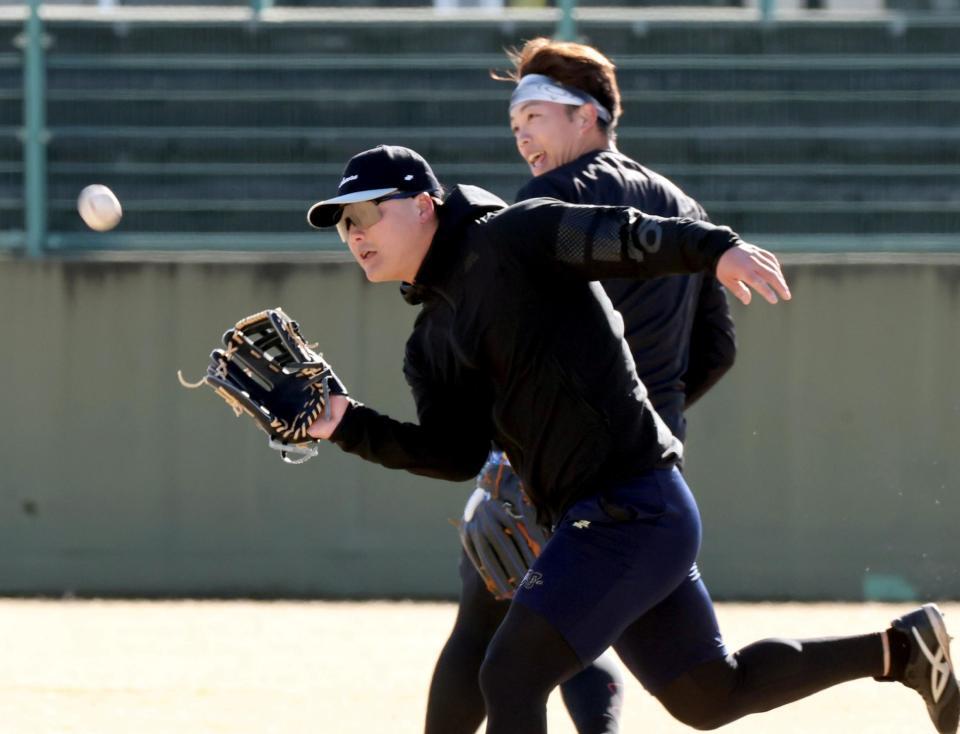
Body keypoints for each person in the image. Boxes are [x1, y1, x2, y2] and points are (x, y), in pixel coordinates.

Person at [304, 144, 958, 734]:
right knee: (710, 696)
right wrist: (344, 423)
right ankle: (902, 650)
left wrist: (716, 248)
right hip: (607, 523)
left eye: (364, 215)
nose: (352, 234)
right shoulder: (428, 344)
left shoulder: (513, 235)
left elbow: (624, 234)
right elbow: (454, 455)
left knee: (510, 674)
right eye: (342, 225)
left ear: (423, 205)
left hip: (632, 504)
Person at [424, 37, 737, 734]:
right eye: (515, 125)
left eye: (535, 115)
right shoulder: (683, 207)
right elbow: (716, 350)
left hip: (560, 462)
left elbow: (522, 330)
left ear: (586, 115)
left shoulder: (551, 198)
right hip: (647, 473)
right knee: (565, 636)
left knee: (494, 631)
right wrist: (650, 416)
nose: (523, 137)